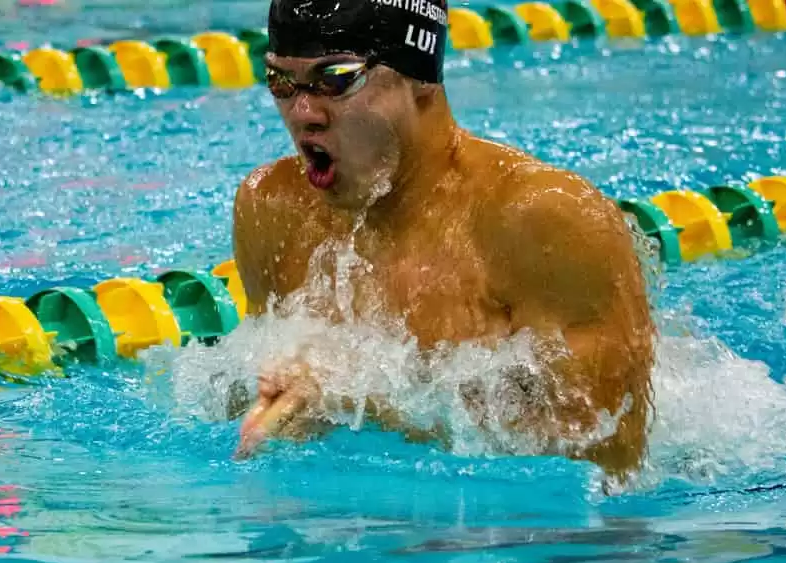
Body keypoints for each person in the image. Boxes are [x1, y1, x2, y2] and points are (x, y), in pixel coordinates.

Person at [228, 0, 657, 482]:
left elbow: (610, 451)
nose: (303, 112)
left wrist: (366, 401)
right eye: (282, 82)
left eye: (336, 78)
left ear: (420, 76)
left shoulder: (545, 220)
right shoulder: (273, 208)